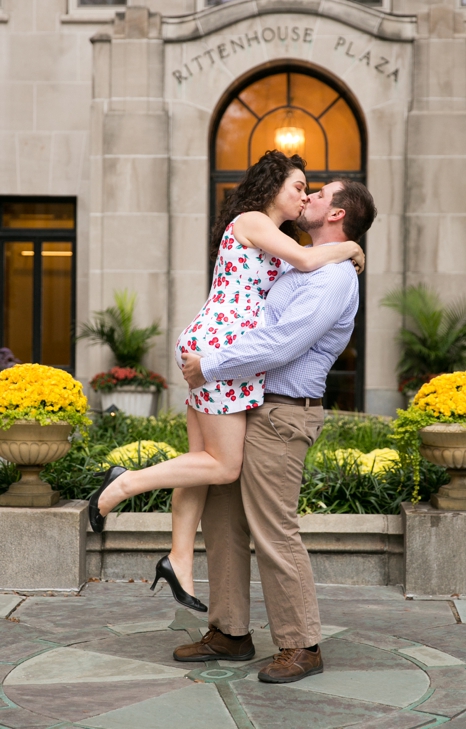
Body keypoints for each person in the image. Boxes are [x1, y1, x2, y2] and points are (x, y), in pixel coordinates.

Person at [87, 151, 364, 614]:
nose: (302, 196)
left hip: (216, 345)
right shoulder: (255, 219)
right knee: (223, 467)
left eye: (310, 190)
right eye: (298, 186)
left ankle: (178, 559)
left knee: (200, 461)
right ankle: (123, 484)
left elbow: (298, 268)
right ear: (273, 186)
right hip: (221, 351)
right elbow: (306, 259)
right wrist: (352, 248)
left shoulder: (269, 235)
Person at [171, 176, 375, 684]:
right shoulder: (302, 263)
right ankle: (230, 631)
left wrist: (211, 363)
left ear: (337, 214)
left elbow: (281, 343)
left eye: (320, 194)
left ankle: (302, 643)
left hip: (284, 414)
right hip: (246, 407)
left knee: (273, 529)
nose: (308, 198)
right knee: (222, 521)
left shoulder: (334, 280)